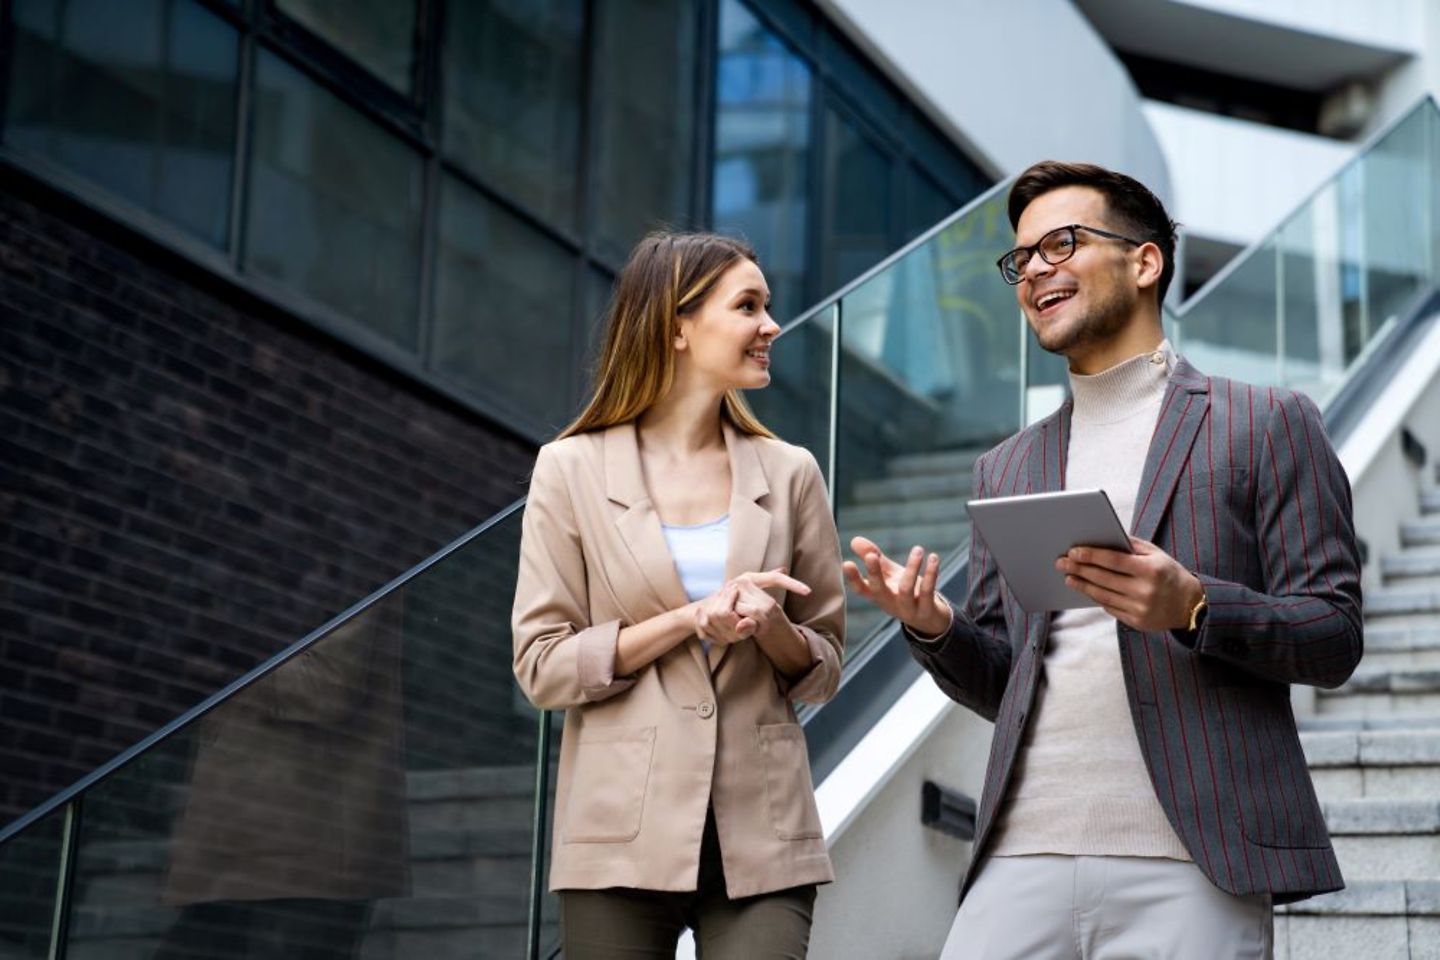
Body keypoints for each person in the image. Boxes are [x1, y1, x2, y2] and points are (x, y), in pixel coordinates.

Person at [845, 161, 1362, 959]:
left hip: (1194, 862)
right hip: (1019, 854)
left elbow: (1332, 636)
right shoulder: (1006, 466)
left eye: (1063, 243)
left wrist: (1194, 606)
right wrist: (936, 628)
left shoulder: (1266, 423)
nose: (1036, 270)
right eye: (1023, 258)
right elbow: (1003, 680)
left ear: (1145, 261)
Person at [512, 231, 845, 959]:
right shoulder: (568, 469)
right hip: (617, 829)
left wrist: (771, 628)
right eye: (748, 306)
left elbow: (825, 663)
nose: (771, 326)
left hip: (762, 830)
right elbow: (542, 666)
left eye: (768, 305)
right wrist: (691, 618)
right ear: (677, 327)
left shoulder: (791, 473)